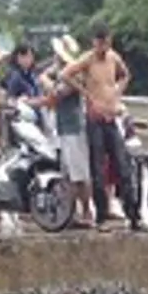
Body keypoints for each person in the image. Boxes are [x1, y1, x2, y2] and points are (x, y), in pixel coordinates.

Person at [62, 22, 142, 230]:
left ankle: (133, 214)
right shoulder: (87, 59)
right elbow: (66, 75)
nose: (102, 47)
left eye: (105, 43)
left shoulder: (114, 57)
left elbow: (125, 74)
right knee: (97, 169)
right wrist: (86, 94)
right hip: (95, 118)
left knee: (123, 166)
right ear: (94, 42)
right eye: (98, 43)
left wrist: (117, 91)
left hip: (111, 116)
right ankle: (102, 216)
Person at [43, 36, 93, 227]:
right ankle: (71, 214)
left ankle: (86, 212)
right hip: (64, 128)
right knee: (68, 173)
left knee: (79, 174)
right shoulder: (62, 72)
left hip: (74, 128)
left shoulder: (74, 76)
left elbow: (56, 93)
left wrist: (46, 80)